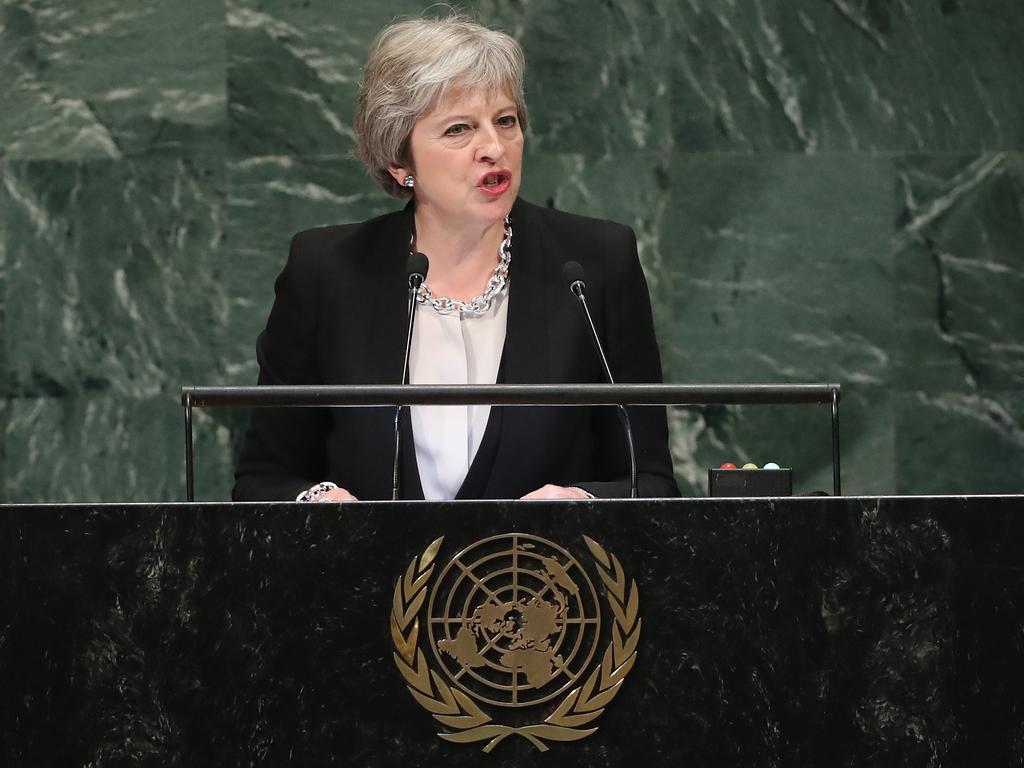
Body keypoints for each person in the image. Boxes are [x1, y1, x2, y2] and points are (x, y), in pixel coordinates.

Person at [232, 14, 678, 502]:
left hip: (537, 575)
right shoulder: (327, 271)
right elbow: (265, 477)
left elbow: (649, 479)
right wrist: (319, 504)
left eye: (505, 121)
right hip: (371, 576)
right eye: (459, 129)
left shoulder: (594, 266)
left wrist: (582, 504)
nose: (493, 147)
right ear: (400, 162)